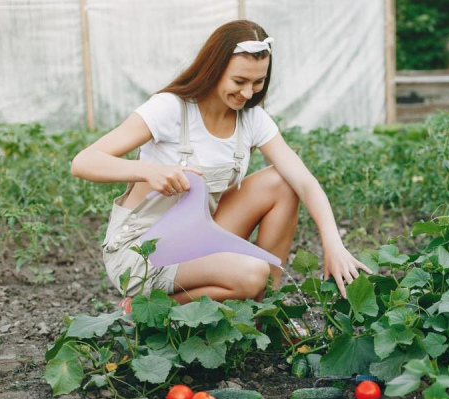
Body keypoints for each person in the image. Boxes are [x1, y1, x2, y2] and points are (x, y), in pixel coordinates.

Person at [70, 20, 372, 305]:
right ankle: (142, 310)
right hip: (143, 251)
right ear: (213, 69)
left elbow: (303, 181)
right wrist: (149, 171)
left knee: (282, 182)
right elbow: (84, 162)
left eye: (257, 82)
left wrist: (332, 243)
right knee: (253, 272)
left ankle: (265, 313)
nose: (247, 93)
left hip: (194, 238)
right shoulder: (170, 109)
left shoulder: (251, 119)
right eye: (239, 81)